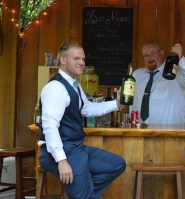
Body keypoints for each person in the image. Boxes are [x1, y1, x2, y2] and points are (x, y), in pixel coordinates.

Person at [39, 42, 126, 199]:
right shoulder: (55, 88)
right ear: (63, 60)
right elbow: (50, 127)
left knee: (117, 164)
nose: (82, 63)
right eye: (76, 58)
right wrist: (62, 161)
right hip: (62, 152)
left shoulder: (75, 86)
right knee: (85, 195)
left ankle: (85, 192)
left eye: (83, 59)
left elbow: (88, 109)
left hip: (77, 149)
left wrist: (116, 103)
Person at [131, 42, 185, 124]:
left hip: (169, 133)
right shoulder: (136, 75)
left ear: (162, 53)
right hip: (140, 131)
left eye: (152, 53)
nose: (149, 58)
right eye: (145, 55)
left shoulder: (174, 72)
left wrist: (180, 58)